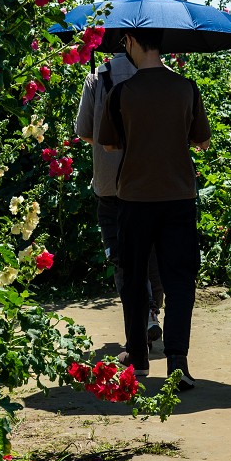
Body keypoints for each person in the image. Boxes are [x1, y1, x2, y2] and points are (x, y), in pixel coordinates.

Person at [98, 28, 211, 391]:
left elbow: (110, 146)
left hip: (133, 198)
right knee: (179, 281)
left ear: (130, 42)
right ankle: (178, 362)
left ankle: (139, 359)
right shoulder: (187, 88)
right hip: (179, 197)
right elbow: (202, 140)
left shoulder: (121, 93)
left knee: (133, 278)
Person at [75, 51, 165, 352]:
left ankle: (137, 325)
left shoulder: (97, 78)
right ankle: (152, 313)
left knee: (121, 257)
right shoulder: (160, 74)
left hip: (110, 182)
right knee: (152, 252)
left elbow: (85, 132)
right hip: (152, 181)